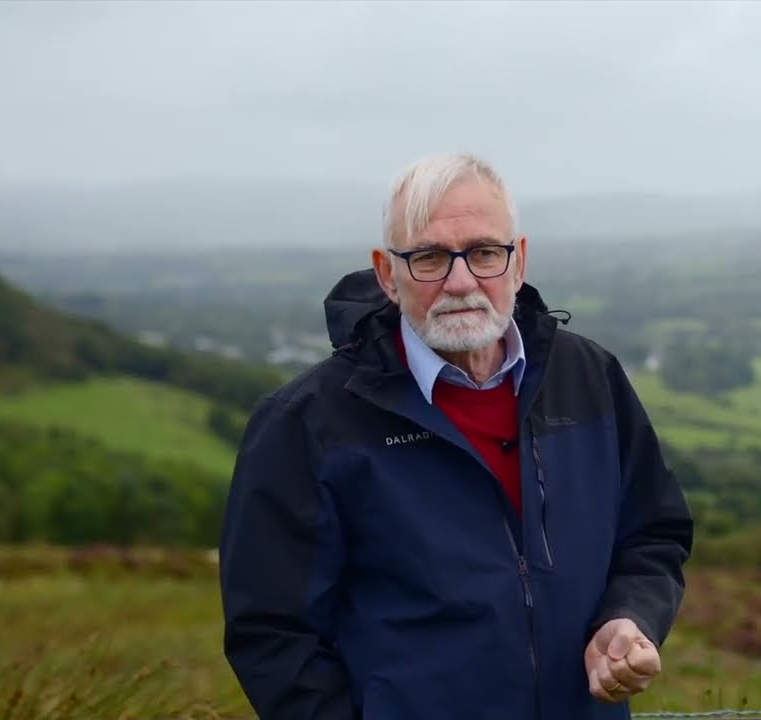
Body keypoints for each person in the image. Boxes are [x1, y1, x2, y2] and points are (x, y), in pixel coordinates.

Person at [218, 153, 694, 720]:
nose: (461, 281)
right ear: (387, 273)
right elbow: (273, 633)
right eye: (430, 257)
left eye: (485, 253)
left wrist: (630, 616)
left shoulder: (588, 377)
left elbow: (653, 533)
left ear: (518, 262)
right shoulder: (308, 422)